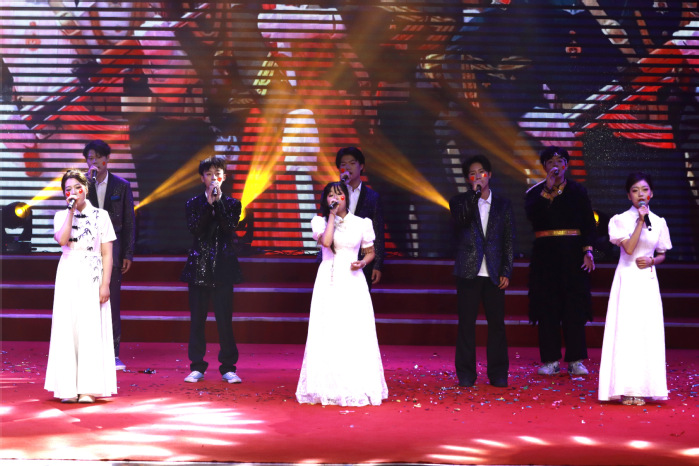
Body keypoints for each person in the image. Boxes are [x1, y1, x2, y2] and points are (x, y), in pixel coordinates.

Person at [296, 181, 388, 406]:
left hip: (353, 280)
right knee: (328, 329)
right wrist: (331, 216)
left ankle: (356, 385)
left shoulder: (361, 223)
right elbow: (327, 242)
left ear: (347, 197)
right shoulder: (319, 222)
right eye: (330, 195)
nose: (335, 198)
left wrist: (363, 263)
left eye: (339, 195)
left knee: (353, 330)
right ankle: (327, 387)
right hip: (328, 279)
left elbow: (370, 251)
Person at [598, 172, 672, 406]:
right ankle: (624, 388)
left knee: (646, 332)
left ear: (651, 194)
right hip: (627, 278)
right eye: (635, 190)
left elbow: (662, 253)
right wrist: (640, 221)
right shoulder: (620, 220)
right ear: (628, 195)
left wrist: (652, 261)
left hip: (647, 281)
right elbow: (629, 248)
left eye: (644, 189)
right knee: (626, 331)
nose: (641, 194)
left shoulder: (659, 222)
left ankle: (644, 388)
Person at [44, 169, 117, 403]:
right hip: (68, 271)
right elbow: (62, 240)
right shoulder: (61, 215)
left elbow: (107, 253)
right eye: (68, 190)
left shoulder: (101, 216)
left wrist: (105, 284)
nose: (73, 192)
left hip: (92, 272)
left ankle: (88, 388)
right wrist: (70, 211)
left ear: (86, 188)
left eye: (77, 187)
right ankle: (67, 388)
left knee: (89, 328)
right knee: (68, 327)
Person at [525, 146, 596, 376]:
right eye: (551, 162)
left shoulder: (578, 191)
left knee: (574, 308)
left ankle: (576, 360)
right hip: (545, 256)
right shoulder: (534, 192)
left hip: (573, 255)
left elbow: (588, 223)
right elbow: (533, 216)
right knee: (547, 308)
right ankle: (550, 361)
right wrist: (547, 188)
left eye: (561, 161)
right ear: (544, 166)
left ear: (567, 165)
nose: (556, 165)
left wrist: (588, 250)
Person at [449, 154, 515, 388]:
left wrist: (506, 269)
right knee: (466, 324)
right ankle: (466, 374)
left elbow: (508, 240)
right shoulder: (459, 202)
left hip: (494, 272)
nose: (477, 177)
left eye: (481, 172)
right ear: (468, 179)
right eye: (472, 174)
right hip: (468, 271)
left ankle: (498, 373)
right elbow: (461, 221)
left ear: (490, 175)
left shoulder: (503, 205)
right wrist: (474, 197)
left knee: (497, 325)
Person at [180, 156, 244, 384]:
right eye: (209, 174)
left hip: (223, 267)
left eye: (217, 174)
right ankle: (197, 366)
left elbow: (229, 227)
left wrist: (218, 204)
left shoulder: (233, 204)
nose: (213, 178)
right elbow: (196, 230)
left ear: (224, 177)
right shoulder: (193, 204)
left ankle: (228, 367)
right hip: (199, 266)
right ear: (202, 178)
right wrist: (208, 205)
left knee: (224, 320)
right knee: (197, 320)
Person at [83, 139, 135, 371]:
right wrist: (88, 185)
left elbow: (129, 221)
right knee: (87, 303)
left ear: (107, 159)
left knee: (111, 303)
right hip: (87, 250)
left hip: (113, 249)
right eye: (90, 158)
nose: (94, 162)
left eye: (97, 157)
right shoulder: (83, 186)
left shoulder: (121, 186)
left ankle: (113, 354)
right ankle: (88, 352)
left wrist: (128, 252)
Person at [336, 146, 385, 288]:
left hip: (362, 259)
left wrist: (377, 264)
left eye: (352, 163)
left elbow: (377, 231)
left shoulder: (372, 197)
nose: (347, 167)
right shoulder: (333, 193)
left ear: (361, 166)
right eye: (343, 164)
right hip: (336, 258)